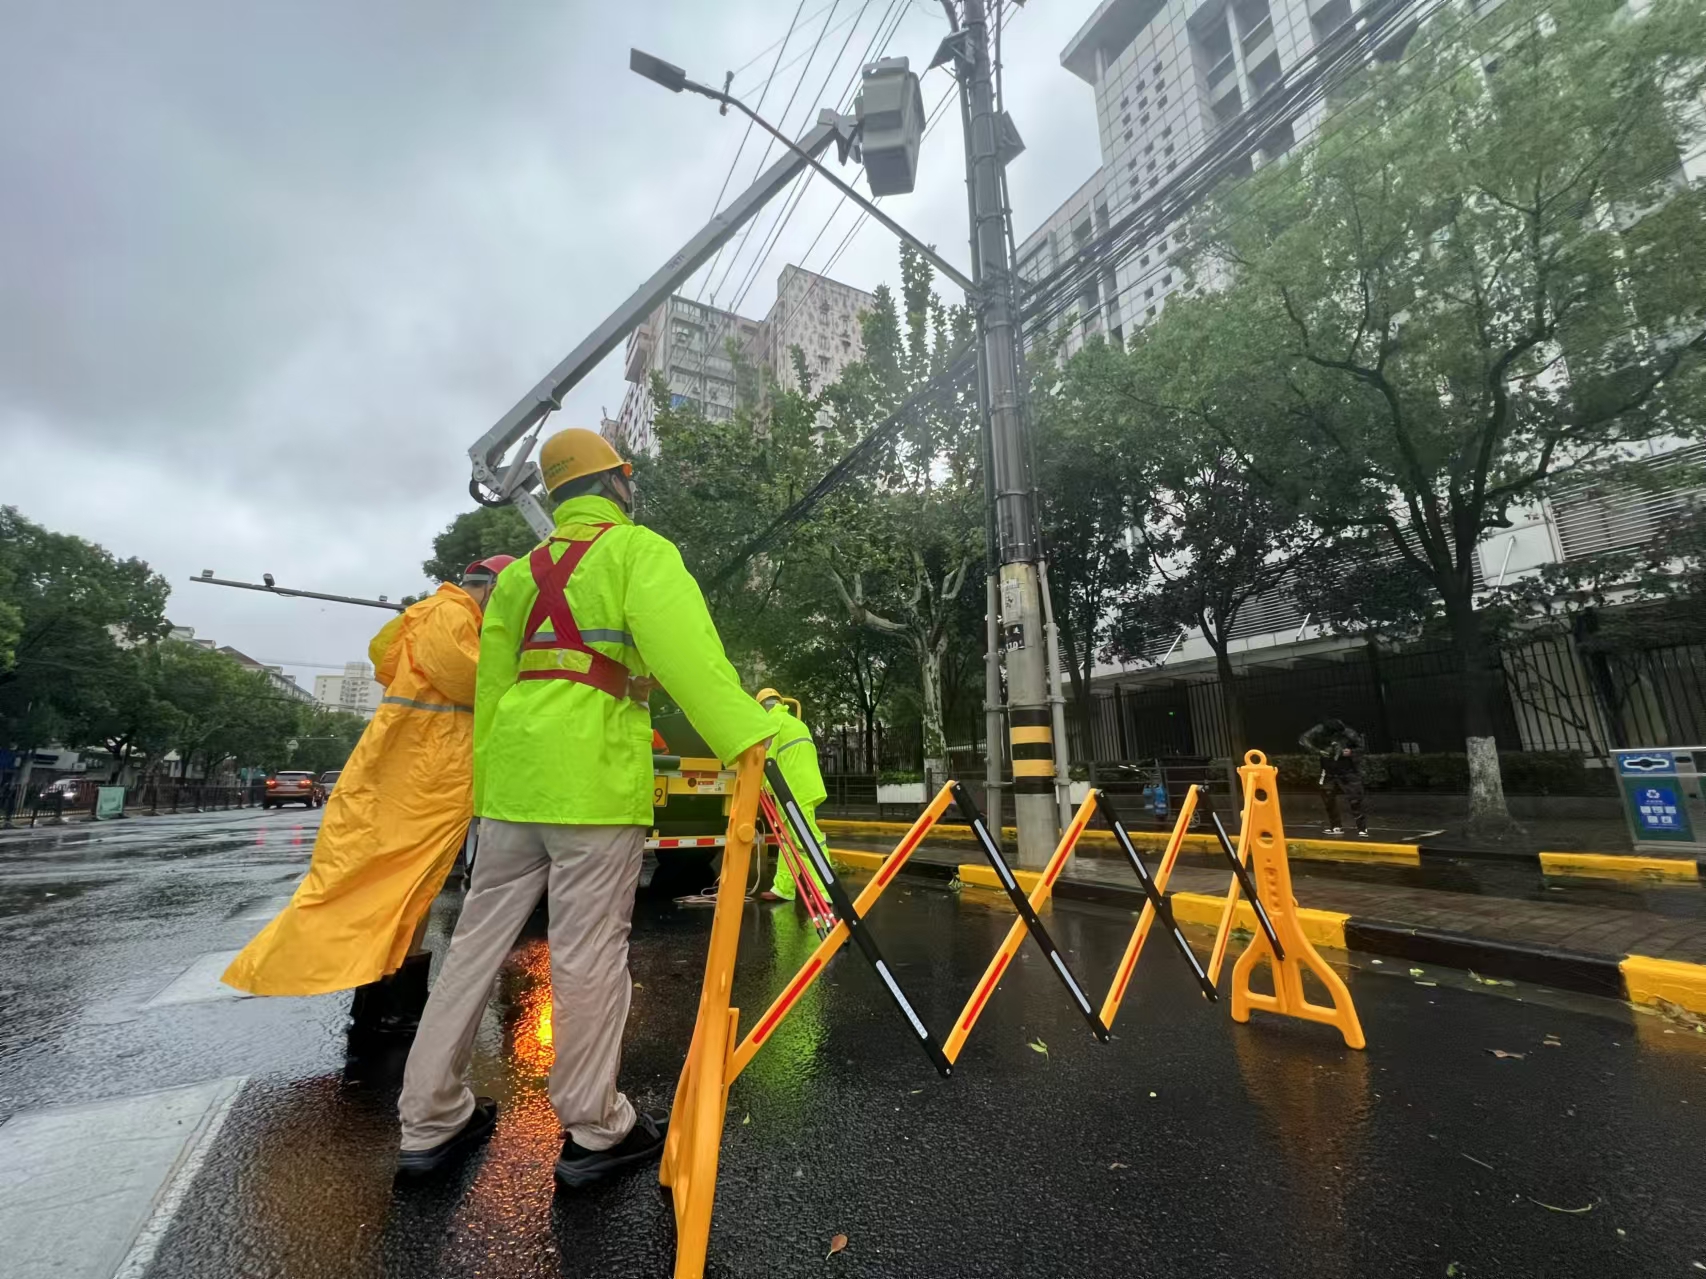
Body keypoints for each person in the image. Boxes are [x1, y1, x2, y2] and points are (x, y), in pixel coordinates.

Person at [395, 427, 774, 1187]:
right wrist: (751, 740)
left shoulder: (517, 578)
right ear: (620, 482)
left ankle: (429, 1120)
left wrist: (490, 787)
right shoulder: (640, 553)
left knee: (474, 946)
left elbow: (493, 692)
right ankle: (597, 1127)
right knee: (588, 955)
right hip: (594, 782)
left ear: (558, 494)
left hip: (513, 787)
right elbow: (690, 662)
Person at [222, 556, 515, 1036]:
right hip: (423, 773)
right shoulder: (450, 613)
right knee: (400, 884)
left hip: (414, 768)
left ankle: (383, 1002)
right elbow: (469, 679)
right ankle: (388, 1007)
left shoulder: (432, 614)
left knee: (404, 888)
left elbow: (385, 656)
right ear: (495, 588)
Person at [753, 687, 830, 904]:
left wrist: (756, 791)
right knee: (789, 840)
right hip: (802, 788)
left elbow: (765, 763)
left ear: (761, 707)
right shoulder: (795, 722)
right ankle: (784, 888)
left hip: (794, 791)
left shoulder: (772, 725)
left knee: (808, 839)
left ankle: (824, 891)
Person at [1298, 716, 1368, 837]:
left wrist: (1350, 752)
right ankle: (1336, 826)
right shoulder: (1320, 730)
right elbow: (1303, 739)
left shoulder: (1348, 733)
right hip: (1328, 769)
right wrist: (1317, 751)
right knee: (1327, 796)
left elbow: (1361, 747)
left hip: (1347, 769)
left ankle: (1362, 828)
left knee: (1355, 798)